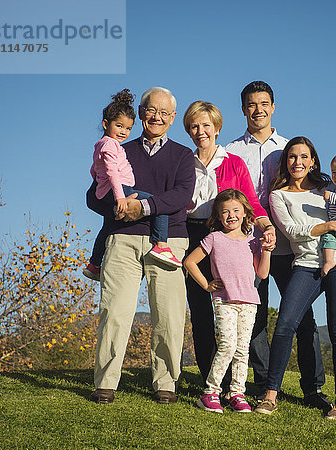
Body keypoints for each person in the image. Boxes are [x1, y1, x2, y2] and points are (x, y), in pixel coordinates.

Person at [86, 86, 195, 404]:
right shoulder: (118, 148)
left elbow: (181, 197)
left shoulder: (182, 155)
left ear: (173, 118)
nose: (157, 117)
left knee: (169, 316)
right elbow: (94, 195)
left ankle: (165, 383)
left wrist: (144, 207)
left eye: (164, 113)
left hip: (170, 240)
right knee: (115, 312)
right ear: (141, 113)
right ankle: (106, 382)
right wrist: (120, 208)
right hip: (124, 238)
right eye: (151, 110)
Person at [226, 81, 330, 410]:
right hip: (246, 247)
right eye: (252, 104)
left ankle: (312, 388)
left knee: (302, 319)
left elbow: (316, 195)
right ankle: (263, 382)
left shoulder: (288, 150)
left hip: (291, 249)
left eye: (264, 103)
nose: (258, 110)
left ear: (274, 107)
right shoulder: (230, 151)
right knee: (252, 318)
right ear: (243, 109)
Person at [255, 136, 336, 420]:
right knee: (284, 325)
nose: (298, 162)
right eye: (292, 157)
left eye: (304, 157)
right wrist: (331, 224)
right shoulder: (278, 195)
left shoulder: (328, 188)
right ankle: (271, 395)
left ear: (313, 161)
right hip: (306, 264)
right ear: (286, 162)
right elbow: (293, 231)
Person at [182, 101, 276, 387]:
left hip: (227, 240)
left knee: (240, 306)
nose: (201, 131)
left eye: (206, 125)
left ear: (217, 128)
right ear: (188, 130)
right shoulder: (184, 164)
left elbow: (251, 202)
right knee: (200, 311)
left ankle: (255, 382)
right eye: (195, 126)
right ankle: (212, 381)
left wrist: (267, 225)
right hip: (191, 236)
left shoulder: (233, 163)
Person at [184, 189, 272, 413]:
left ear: (245, 214)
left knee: (242, 350)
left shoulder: (253, 242)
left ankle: (237, 394)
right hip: (224, 301)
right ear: (218, 216)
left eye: (235, 210)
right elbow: (190, 262)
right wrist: (206, 285)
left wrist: (267, 251)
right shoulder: (214, 238)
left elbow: (262, 274)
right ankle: (210, 393)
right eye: (225, 212)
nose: (231, 215)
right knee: (227, 346)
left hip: (249, 302)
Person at [83, 89, 180, 282]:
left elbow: (95, 170)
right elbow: (110, 171)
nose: (123, 132)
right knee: (156, 204)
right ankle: (161, 245)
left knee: (106, 226)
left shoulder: (102, 145)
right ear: (105, 124)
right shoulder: (111, 145)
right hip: (120, 191)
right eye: (119, 126)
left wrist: (102, 185)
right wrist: (120, 197)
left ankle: (94, 264)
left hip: (110, 190)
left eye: (127, 128)